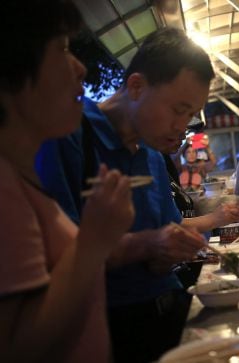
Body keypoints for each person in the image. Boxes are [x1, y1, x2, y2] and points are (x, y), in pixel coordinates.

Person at [36, 28, 222, 363]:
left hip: (171, 312)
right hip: (113, 328)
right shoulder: (71, 135)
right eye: (178, 109)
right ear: (136, 86)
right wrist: (149, 243)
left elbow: (161, 249)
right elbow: (57, 255)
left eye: (190, 115)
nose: (183, 126)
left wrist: (172, 247)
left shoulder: (151, 153)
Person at [0, 1, 134, 362]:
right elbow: (15, 347)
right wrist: (95, 238)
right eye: (61, 49)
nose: (80, 68)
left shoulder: (21, 178)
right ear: (13, 67)